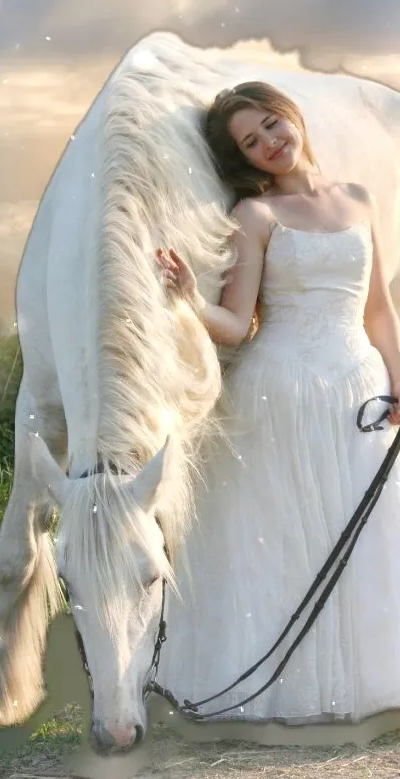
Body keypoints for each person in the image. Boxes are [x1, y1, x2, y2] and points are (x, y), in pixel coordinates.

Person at [156, 81, 400, 724]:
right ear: (241, 156)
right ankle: (284, 686)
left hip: (358, 384)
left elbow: (378, 308)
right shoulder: (254, 217)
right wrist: (185, 296)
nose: (269, 143)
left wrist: (398, 379)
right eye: (250, 141)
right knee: (286, 537)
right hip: (281, 390)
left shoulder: (358, 199)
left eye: (270, 124)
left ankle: (365, 679)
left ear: (291, 116)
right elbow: (238, 325)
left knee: (368, 532)